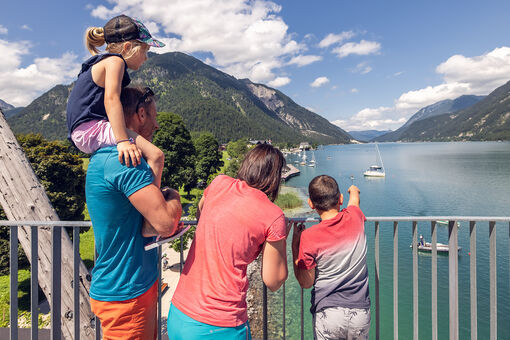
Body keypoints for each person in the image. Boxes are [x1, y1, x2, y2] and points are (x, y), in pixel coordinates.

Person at [86, 86, 182, 339]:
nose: (157, 124)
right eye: (154, 116)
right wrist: (173, 196)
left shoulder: (110, 158)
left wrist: (156, 159)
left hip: (132, 285)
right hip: (126, 290)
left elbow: (148, 219)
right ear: (141, 114)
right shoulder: (124, 162)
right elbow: (164, 223)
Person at [168, 144, 290, 339]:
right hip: (219, 325)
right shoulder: (273, 216)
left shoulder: (219, 183)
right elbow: (273, 281)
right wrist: (282, 242)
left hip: (179, 313)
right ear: (275, 178)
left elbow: (201, 215)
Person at [66, 14, 165, 187]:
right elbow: (111, 99)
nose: (146, 58)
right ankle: (154, 205)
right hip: (90, 129)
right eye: (145, 51)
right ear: (128, 47)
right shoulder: (115, 62)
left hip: (84, 131)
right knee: (156, 156)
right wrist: (123, 141)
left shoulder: (100, 63)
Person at [292, 175, 370, 340]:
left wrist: (295, 247)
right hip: (360, 312)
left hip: (329, 313)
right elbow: (354, 201)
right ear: (340, 199)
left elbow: (306, 283)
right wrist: (354, 190)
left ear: (311, 204)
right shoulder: (355, 217)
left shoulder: (309, 236)